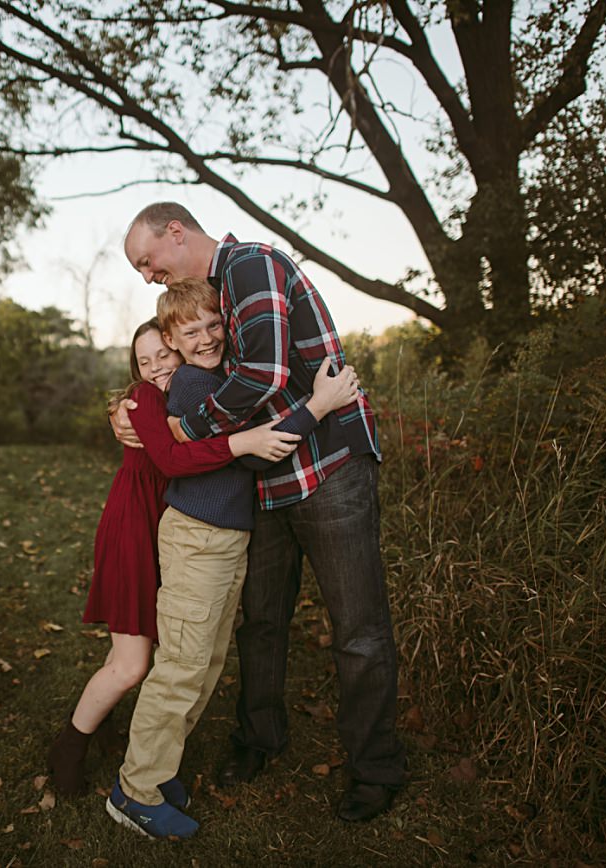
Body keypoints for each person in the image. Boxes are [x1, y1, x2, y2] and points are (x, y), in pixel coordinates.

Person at [113, 202, 407, 823]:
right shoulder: (210, 299)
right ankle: (259, 739)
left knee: (357, 630)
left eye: (147, 260)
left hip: (327, 468)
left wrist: (182, 429)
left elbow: (265, 376)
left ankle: (375, 769)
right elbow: (172, 360)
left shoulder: (249, 265)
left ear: (175, 232)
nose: (146, 275)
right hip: (267, 481)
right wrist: (134, 407)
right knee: (261, 622)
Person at [48, 310, 359, 798]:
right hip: (136, 526)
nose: (156, 367)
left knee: (144, 645)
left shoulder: (190, 395)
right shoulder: (148, 398)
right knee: (133, 662)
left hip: (164, 522)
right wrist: (242, 442)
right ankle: (71, 745)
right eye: (143, 361)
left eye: (162, 356)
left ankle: (104, 724)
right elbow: (174, 459)